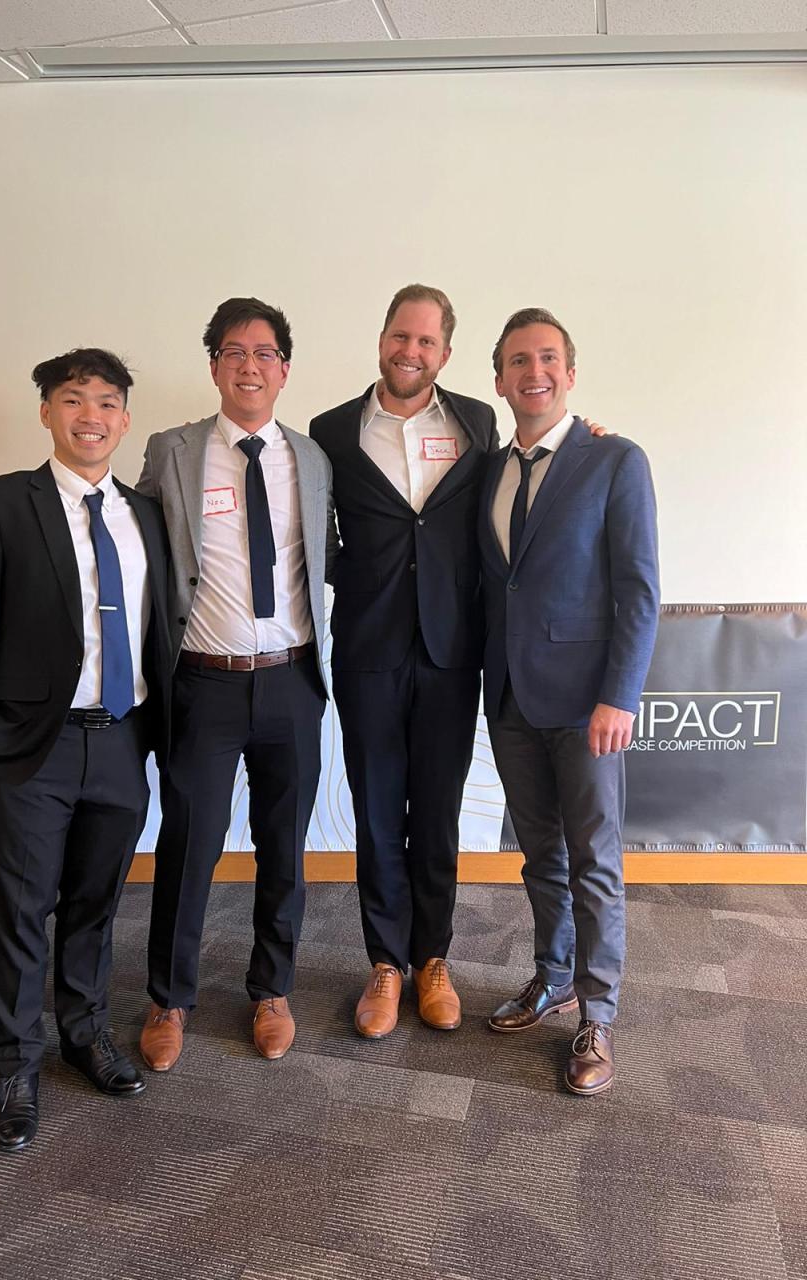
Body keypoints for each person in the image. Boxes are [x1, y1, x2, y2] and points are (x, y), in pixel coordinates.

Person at [0, 348, 172, 1150]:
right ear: (47, 411)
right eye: (74, 401)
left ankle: (84, 1035)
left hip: (121, 740)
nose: (91, 417)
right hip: (28, 748)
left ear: (124, 420)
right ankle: (14, 1064)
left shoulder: (144, 513)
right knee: (19, 912)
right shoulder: (2, 502)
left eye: (107, 403)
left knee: (93, 905)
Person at [136, 297, 332, 1071]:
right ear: (213, 364)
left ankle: (271, 988)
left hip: (290, 682)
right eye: (233, 351)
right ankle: (169, 998)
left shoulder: (312, 459)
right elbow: (139, 543)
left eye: (264, 352)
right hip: (205, 685)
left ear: (285, 369)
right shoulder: (172, 451)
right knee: (189, 844)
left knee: (285, 845)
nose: (249, 364)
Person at [309, 285, 498, 1039]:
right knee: (379, 807)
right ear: (381, 339)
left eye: (425, 342)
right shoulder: (331, 431)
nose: (409, 351)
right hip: (369, 646)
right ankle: (385, 963)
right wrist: (352, 578)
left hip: (453, 650)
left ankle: (433, 960)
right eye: (399, 336)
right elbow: (306, 526)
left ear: (444, 354)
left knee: (439, 810)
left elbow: (520, 491)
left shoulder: (478, 424)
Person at [479, 308, 659, 1095]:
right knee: (540, 855)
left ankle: (598, 1014)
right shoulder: (489, 470)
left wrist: (620, 695)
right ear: (500, 379)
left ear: (570, 373)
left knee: (595, 863)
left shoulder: (615, 459)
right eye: (519, 361)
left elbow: (640, 591)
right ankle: (551, 977)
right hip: (511, 698)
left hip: (590, 707)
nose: (534, 373)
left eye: (547, 359)